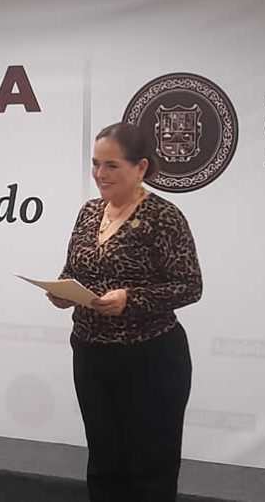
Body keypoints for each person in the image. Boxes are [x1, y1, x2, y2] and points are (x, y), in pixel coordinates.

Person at [49, 122, 202, 502]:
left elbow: (189, 285)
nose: (100, 174)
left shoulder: (164, 216)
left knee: (150, 465)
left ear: (141, 168)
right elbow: (73, 271)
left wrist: (130, 299)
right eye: (95, 163)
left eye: (112, 165)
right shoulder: (88, 212)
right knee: (103, 461)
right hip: (91, 353)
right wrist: (62, 292)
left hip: (150, 358)